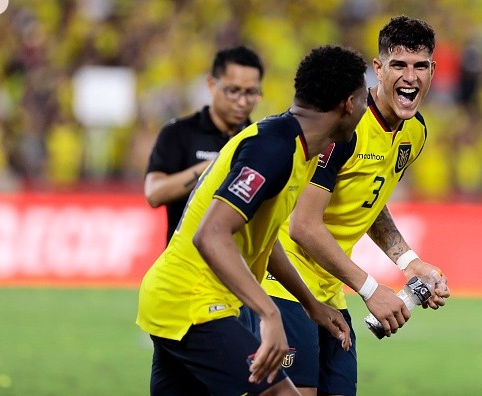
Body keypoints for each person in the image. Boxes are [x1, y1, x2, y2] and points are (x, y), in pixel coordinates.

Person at [136, 45, 369, 395]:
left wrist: (311, 304)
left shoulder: (298, 147)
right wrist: (269, 313)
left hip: (179, 298)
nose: (367, 109)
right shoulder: (274, 148)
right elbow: (211, 235)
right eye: (366, 99)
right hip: (193, 301)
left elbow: (265, 238)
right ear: (349, 104)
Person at [254, 16, 452, 396]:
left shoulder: (415, 131)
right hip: (282, 280)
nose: (410, 77)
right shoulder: (344, 125)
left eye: (420, 66)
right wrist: (371, 288)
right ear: (378, 69)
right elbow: (303, 226)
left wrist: (409, 261)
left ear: (432, 72)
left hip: (329, 289)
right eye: (398, 65)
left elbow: (369, 201)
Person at [144, 45, 264, 243]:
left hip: (238, 265)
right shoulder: (179, 133)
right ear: (211, 84)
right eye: (233, 91)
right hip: (184, 265)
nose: (242, 102)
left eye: (251, 93)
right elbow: (154, 193)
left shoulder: (260, 140)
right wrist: (217, 165)